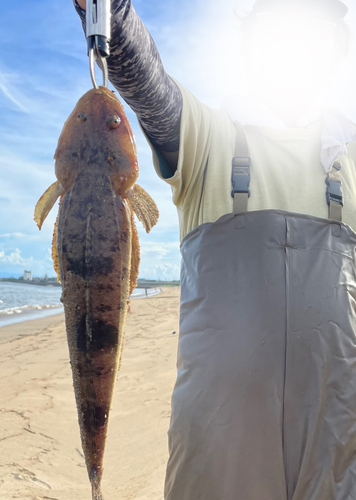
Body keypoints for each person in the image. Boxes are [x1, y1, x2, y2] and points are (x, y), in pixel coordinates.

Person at [74, 1, 356, 499]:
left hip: (339, 452)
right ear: (252, 50)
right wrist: (110, 14)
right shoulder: (209, 138)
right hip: (217, 455)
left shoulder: (349, 159)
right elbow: (149, 84)